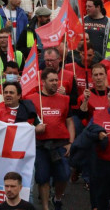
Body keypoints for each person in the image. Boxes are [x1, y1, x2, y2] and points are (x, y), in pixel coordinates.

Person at [27, 69, 74, 210]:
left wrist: (71, 142)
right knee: (43, 178)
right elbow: (26, 122)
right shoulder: (32, 99)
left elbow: (70, 121)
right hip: (40, 144)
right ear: (43, 82)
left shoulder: (65, 99)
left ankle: (57, 198)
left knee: (64, 175)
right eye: (51, 80)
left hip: (60, 144)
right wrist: (35, 128)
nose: (55, 83)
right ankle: (46, 207)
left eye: (56, 80)